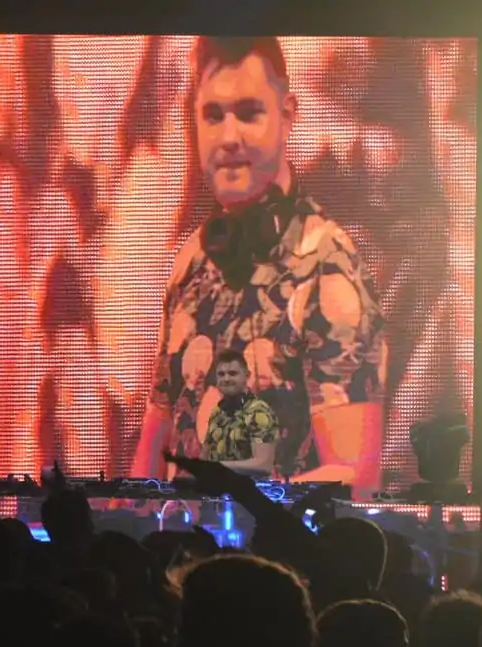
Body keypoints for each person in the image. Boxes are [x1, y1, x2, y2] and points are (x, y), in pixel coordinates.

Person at [131, 36, 386, 495]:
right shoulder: (192, 258)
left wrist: (233, 509)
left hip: (276, 542)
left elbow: (355, 478)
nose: (229, 137)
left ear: (287, 116)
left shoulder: (328, 264)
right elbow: (153, 445)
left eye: (249, 113)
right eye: (213, 116)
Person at [201, 350, 279, 478]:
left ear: (247, 376)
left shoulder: (259, 411)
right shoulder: (217, 412)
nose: (226, 379)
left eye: (232, 373)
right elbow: (204, 458)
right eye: (221, 374)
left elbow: (263, 465)